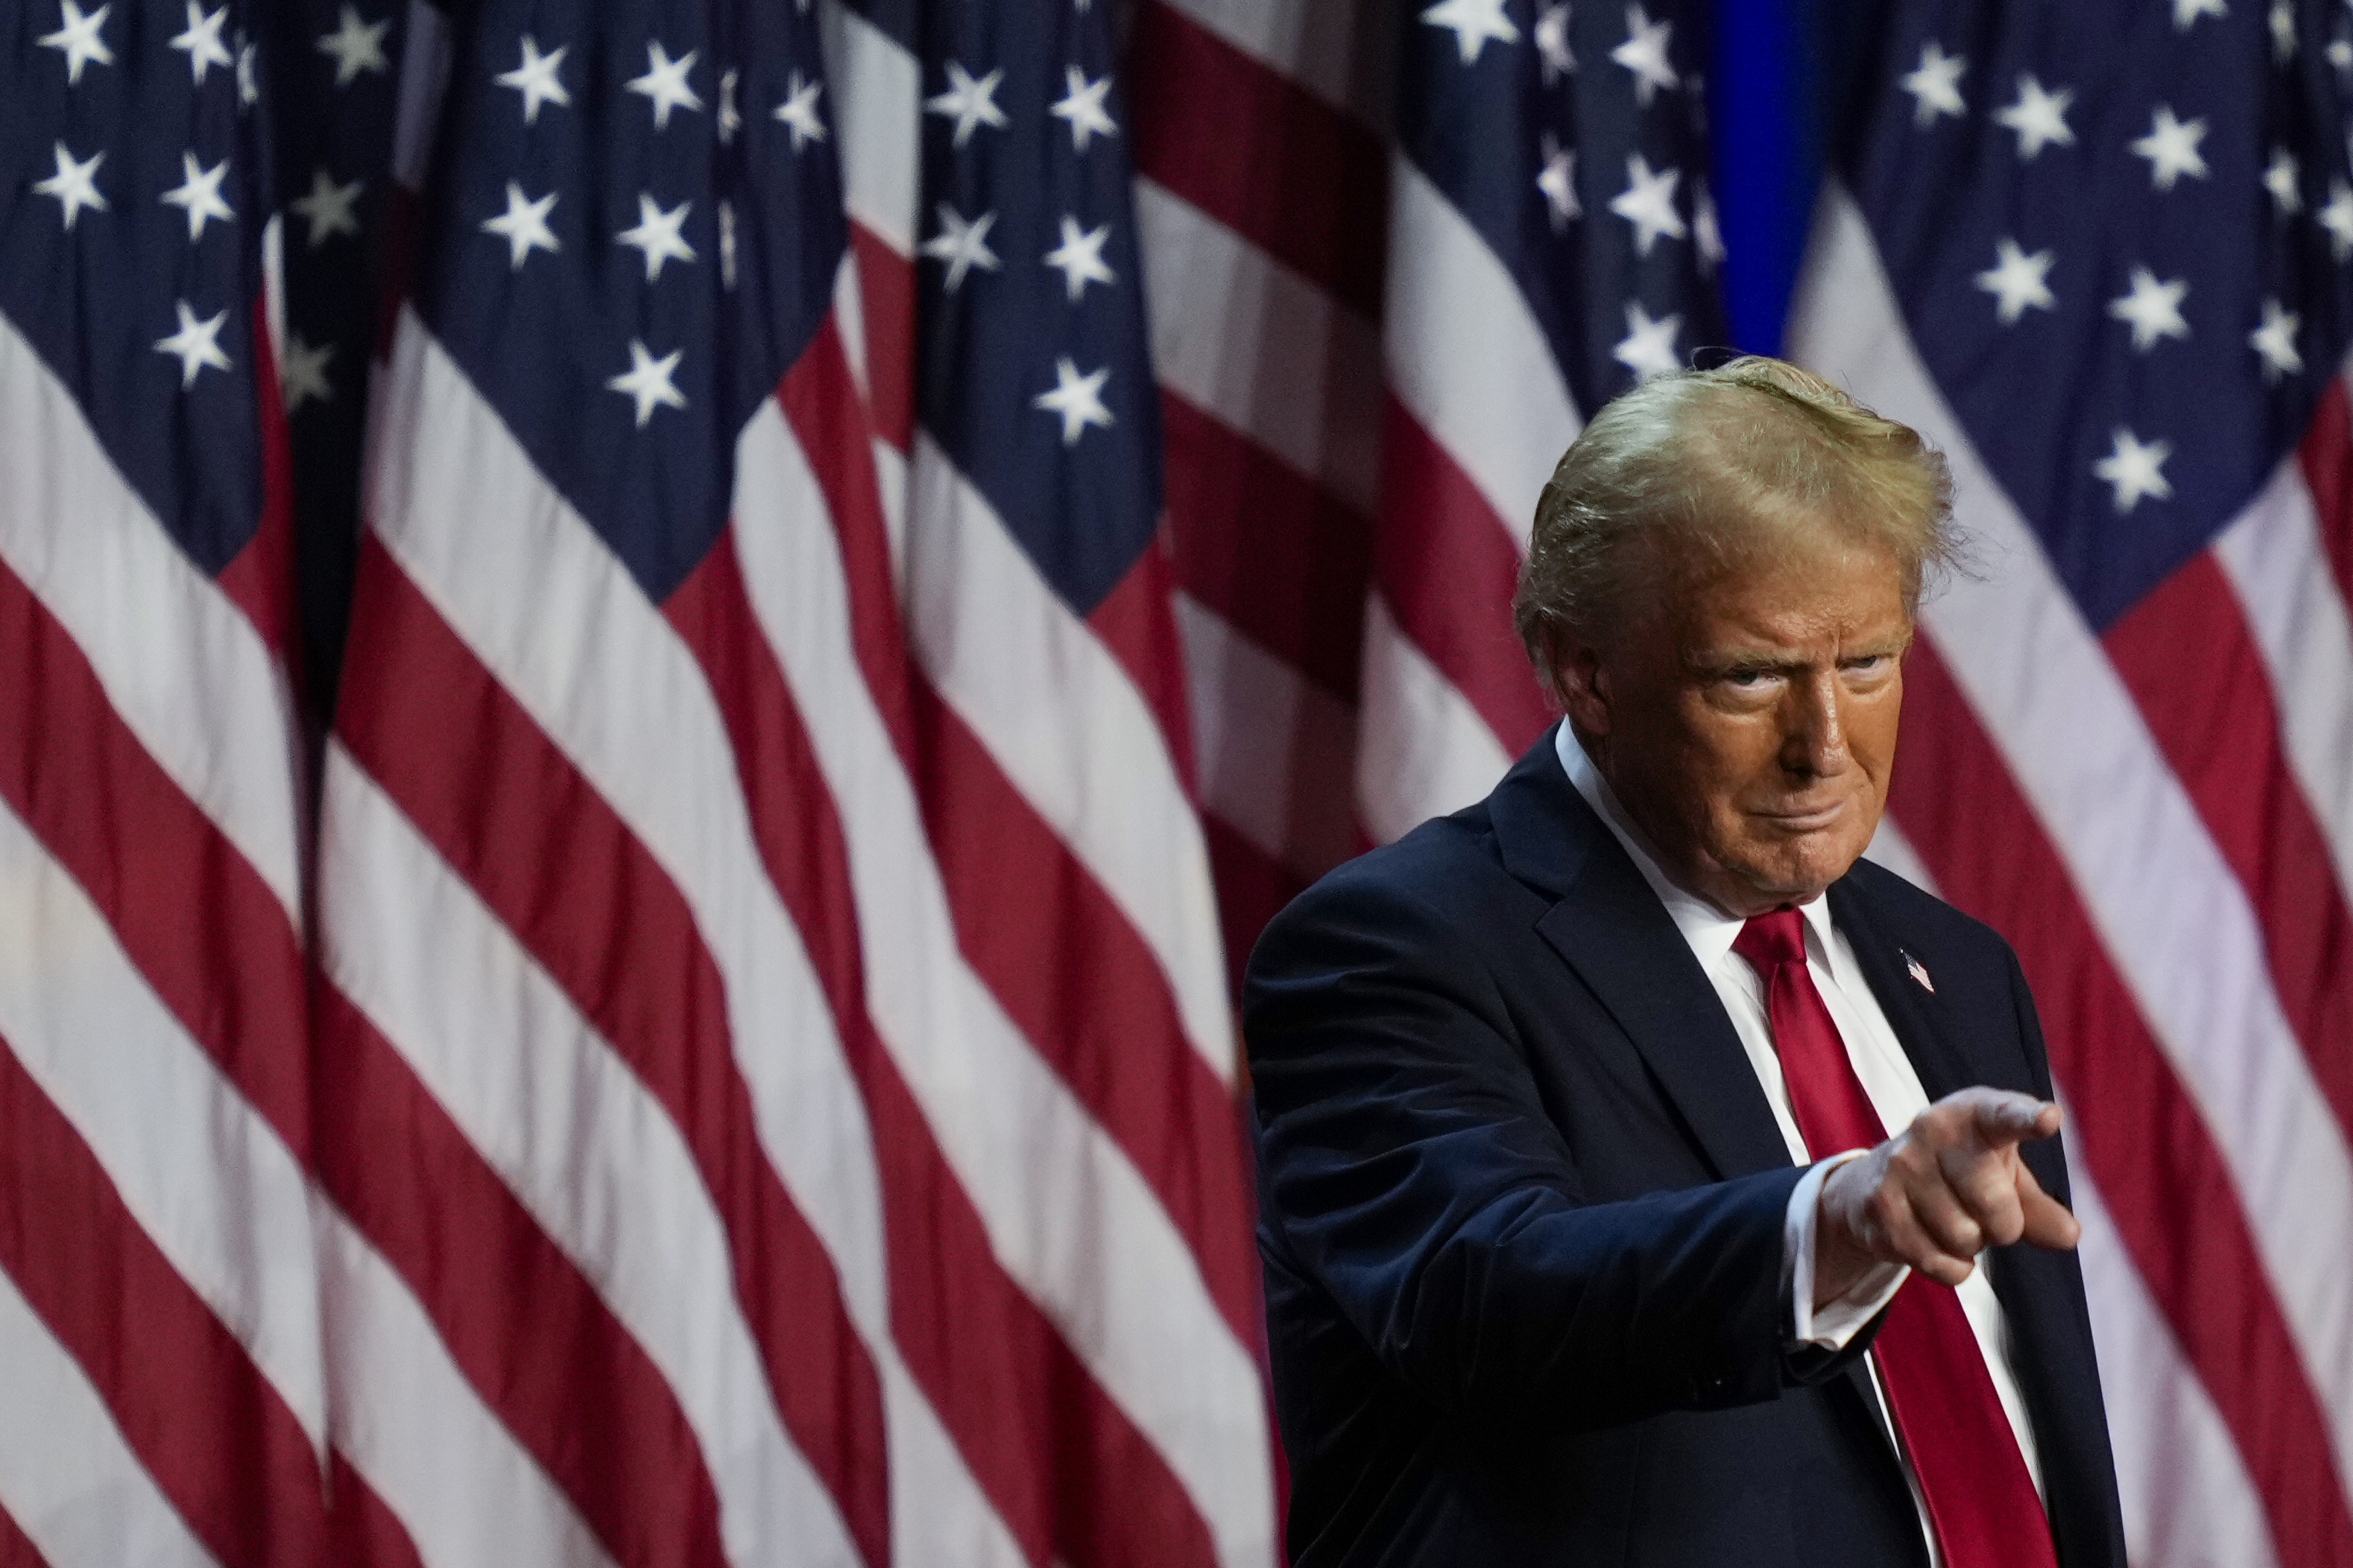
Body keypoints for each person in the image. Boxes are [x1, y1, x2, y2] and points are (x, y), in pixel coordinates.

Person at [1244, 358, 2126, 1568]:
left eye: (1864, 663)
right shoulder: (1395, 948)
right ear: (1584, 671)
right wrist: (1838, 1218)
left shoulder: (1956, 968)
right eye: (1750, 676)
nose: (1823, 746)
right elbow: (1488, 1296)